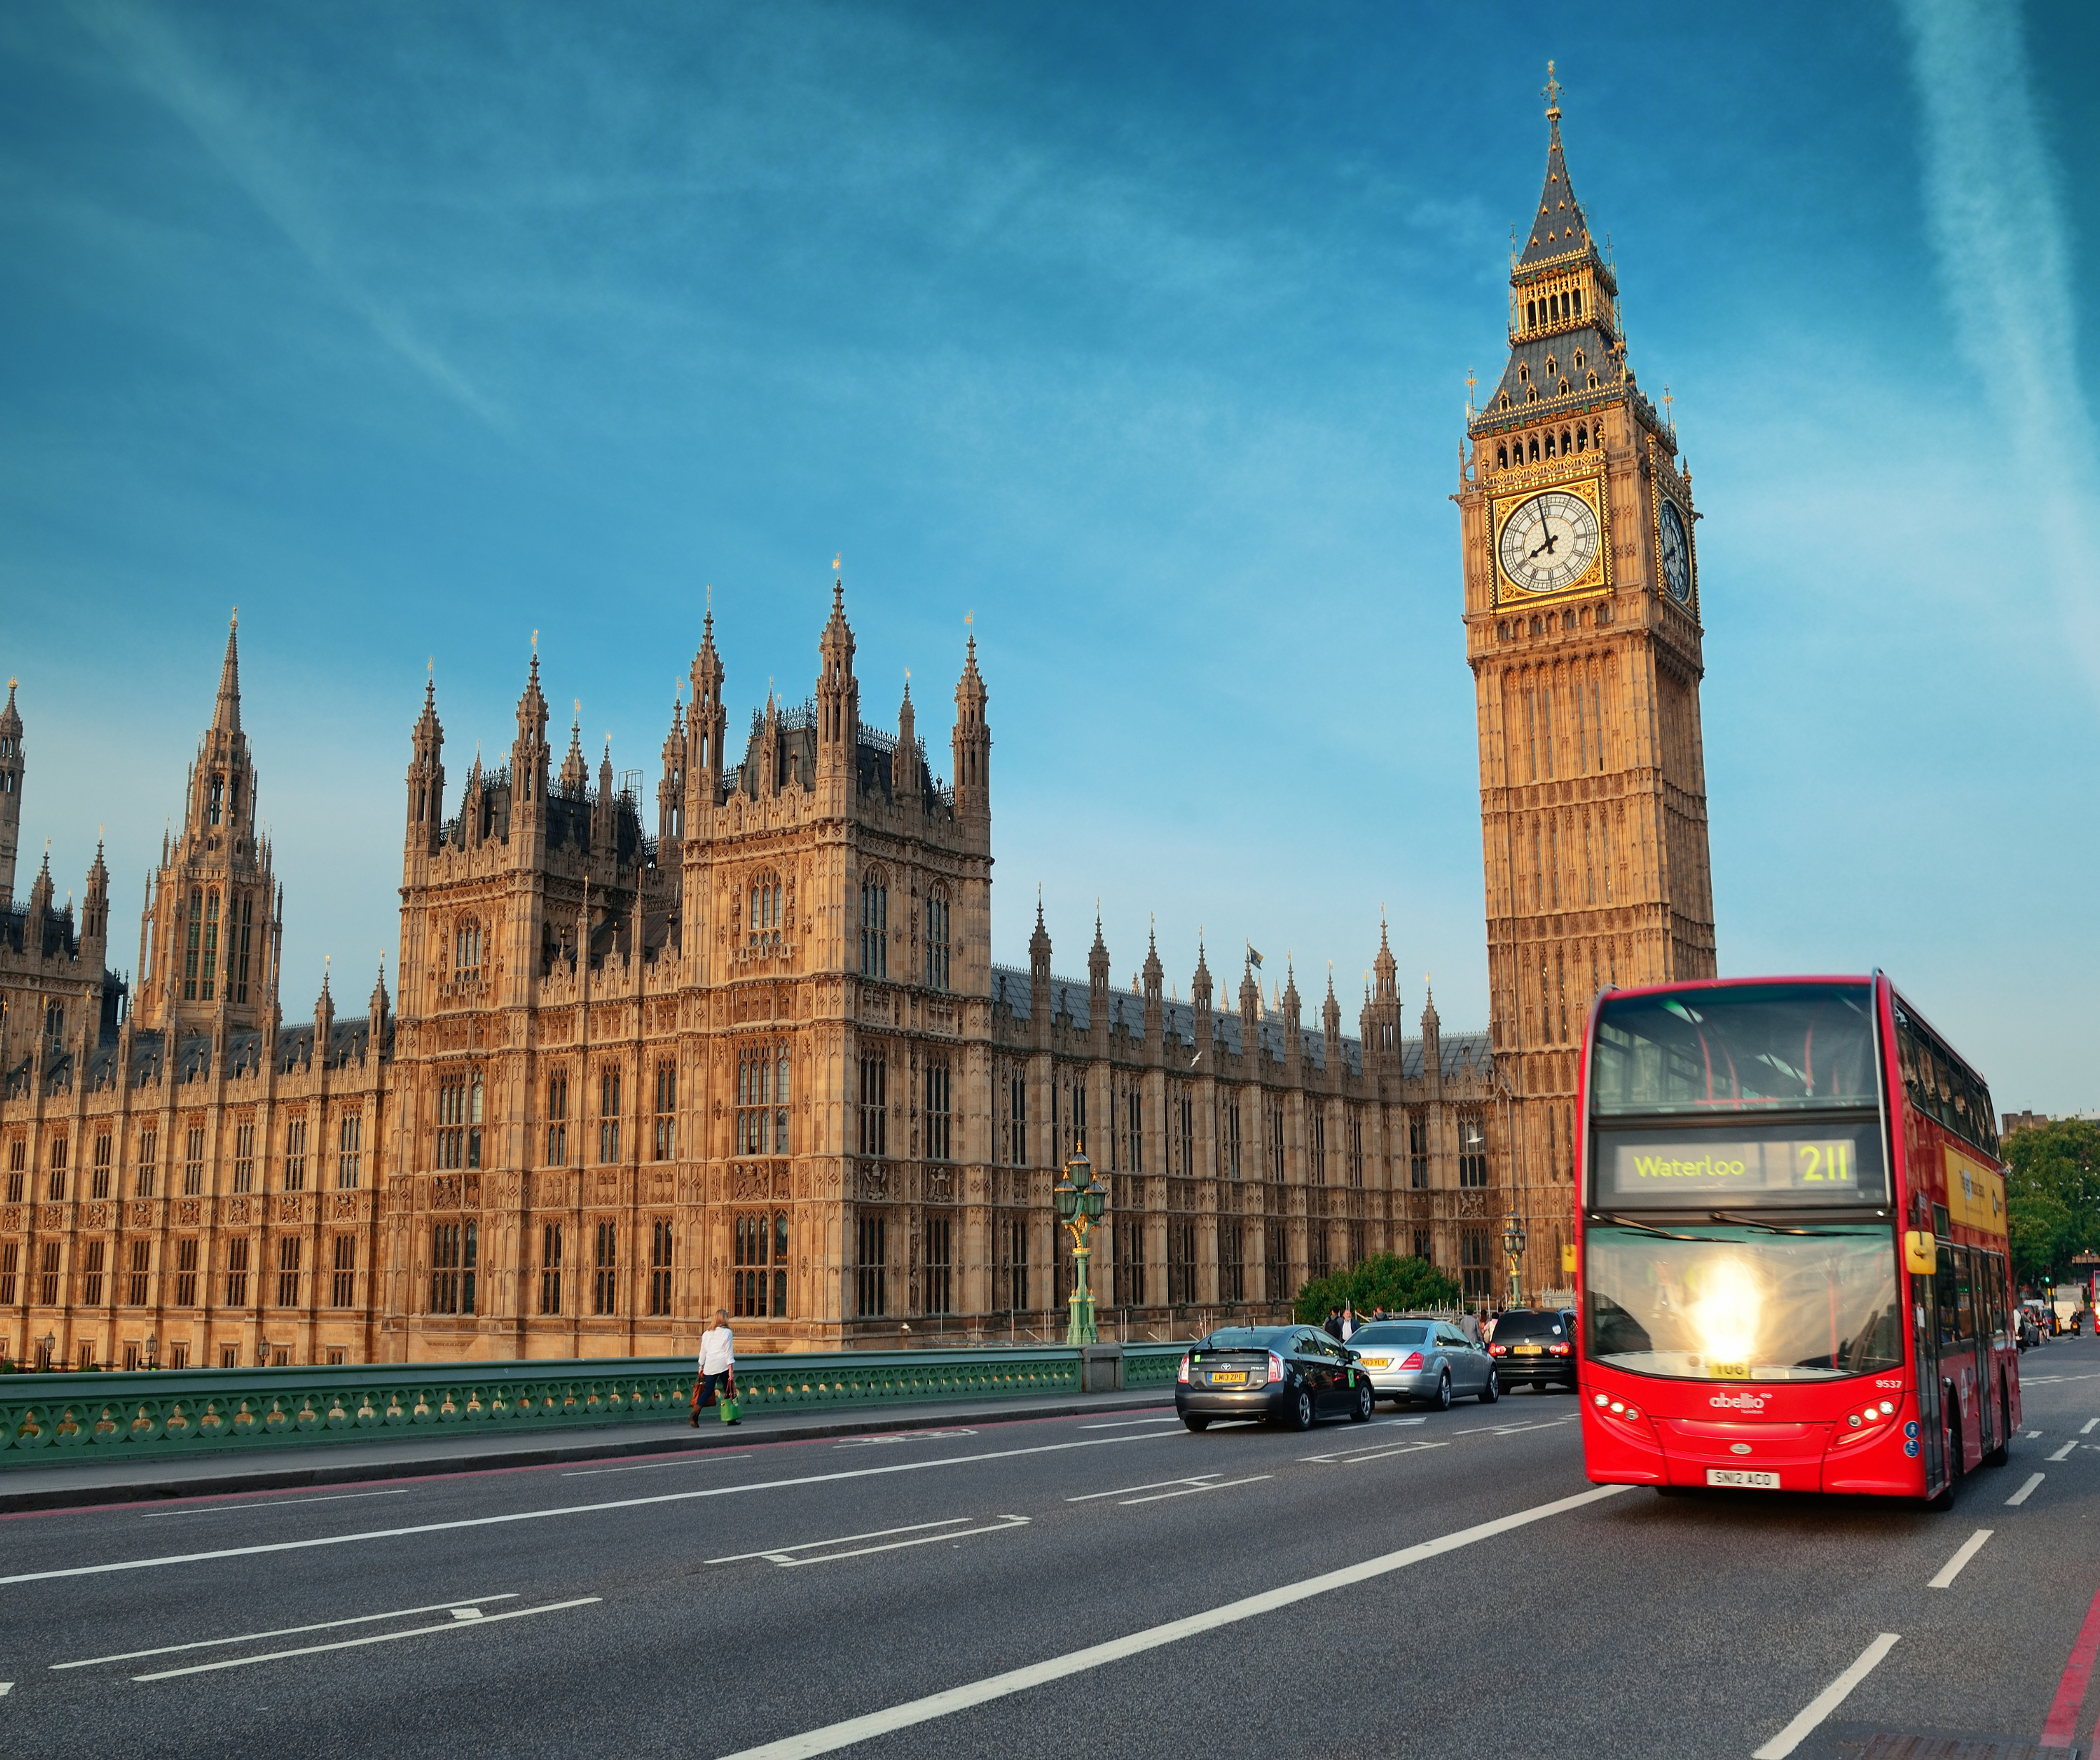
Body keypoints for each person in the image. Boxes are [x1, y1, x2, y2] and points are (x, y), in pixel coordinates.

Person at [695, 1308, 738, 1426]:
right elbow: (729, 1353)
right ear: (724, 1319)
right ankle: (730, 1418)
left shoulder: (706, 1333)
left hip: (710, 1365)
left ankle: (694, 1414)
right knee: (728, 1391)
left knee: (708, 1391)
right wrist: (731, 1371)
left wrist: (701, 1367)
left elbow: (702, 1352)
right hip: (723, 1365)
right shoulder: (727, 1333)